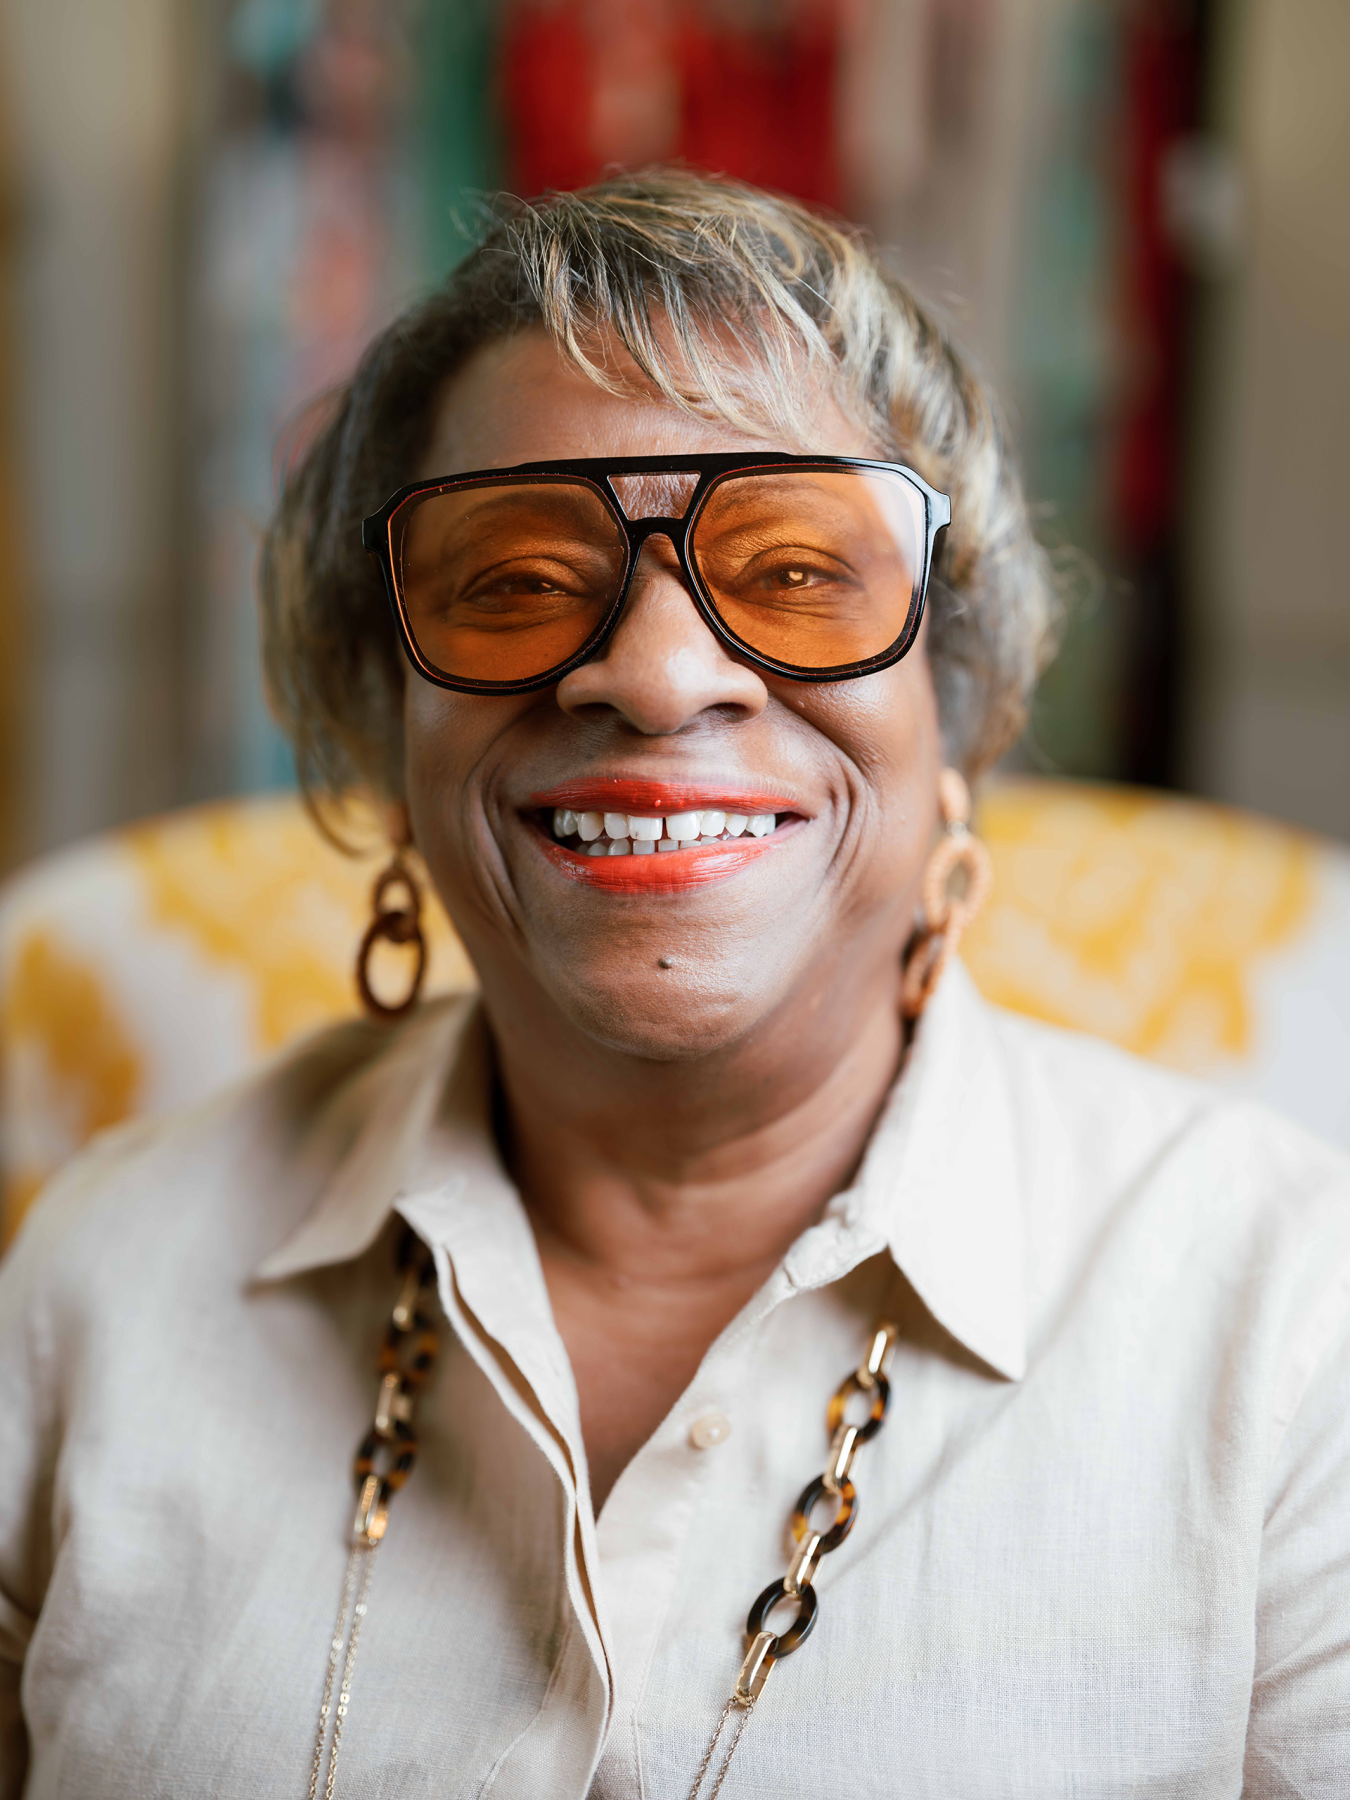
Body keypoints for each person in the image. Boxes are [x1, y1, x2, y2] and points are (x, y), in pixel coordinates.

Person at [2, 169, 1348, 1800]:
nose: (649, 672)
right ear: (379, 718)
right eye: (512, 576)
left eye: (793, 572)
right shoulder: (92, 1289)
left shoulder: (1289, 1339)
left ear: (960, 711)